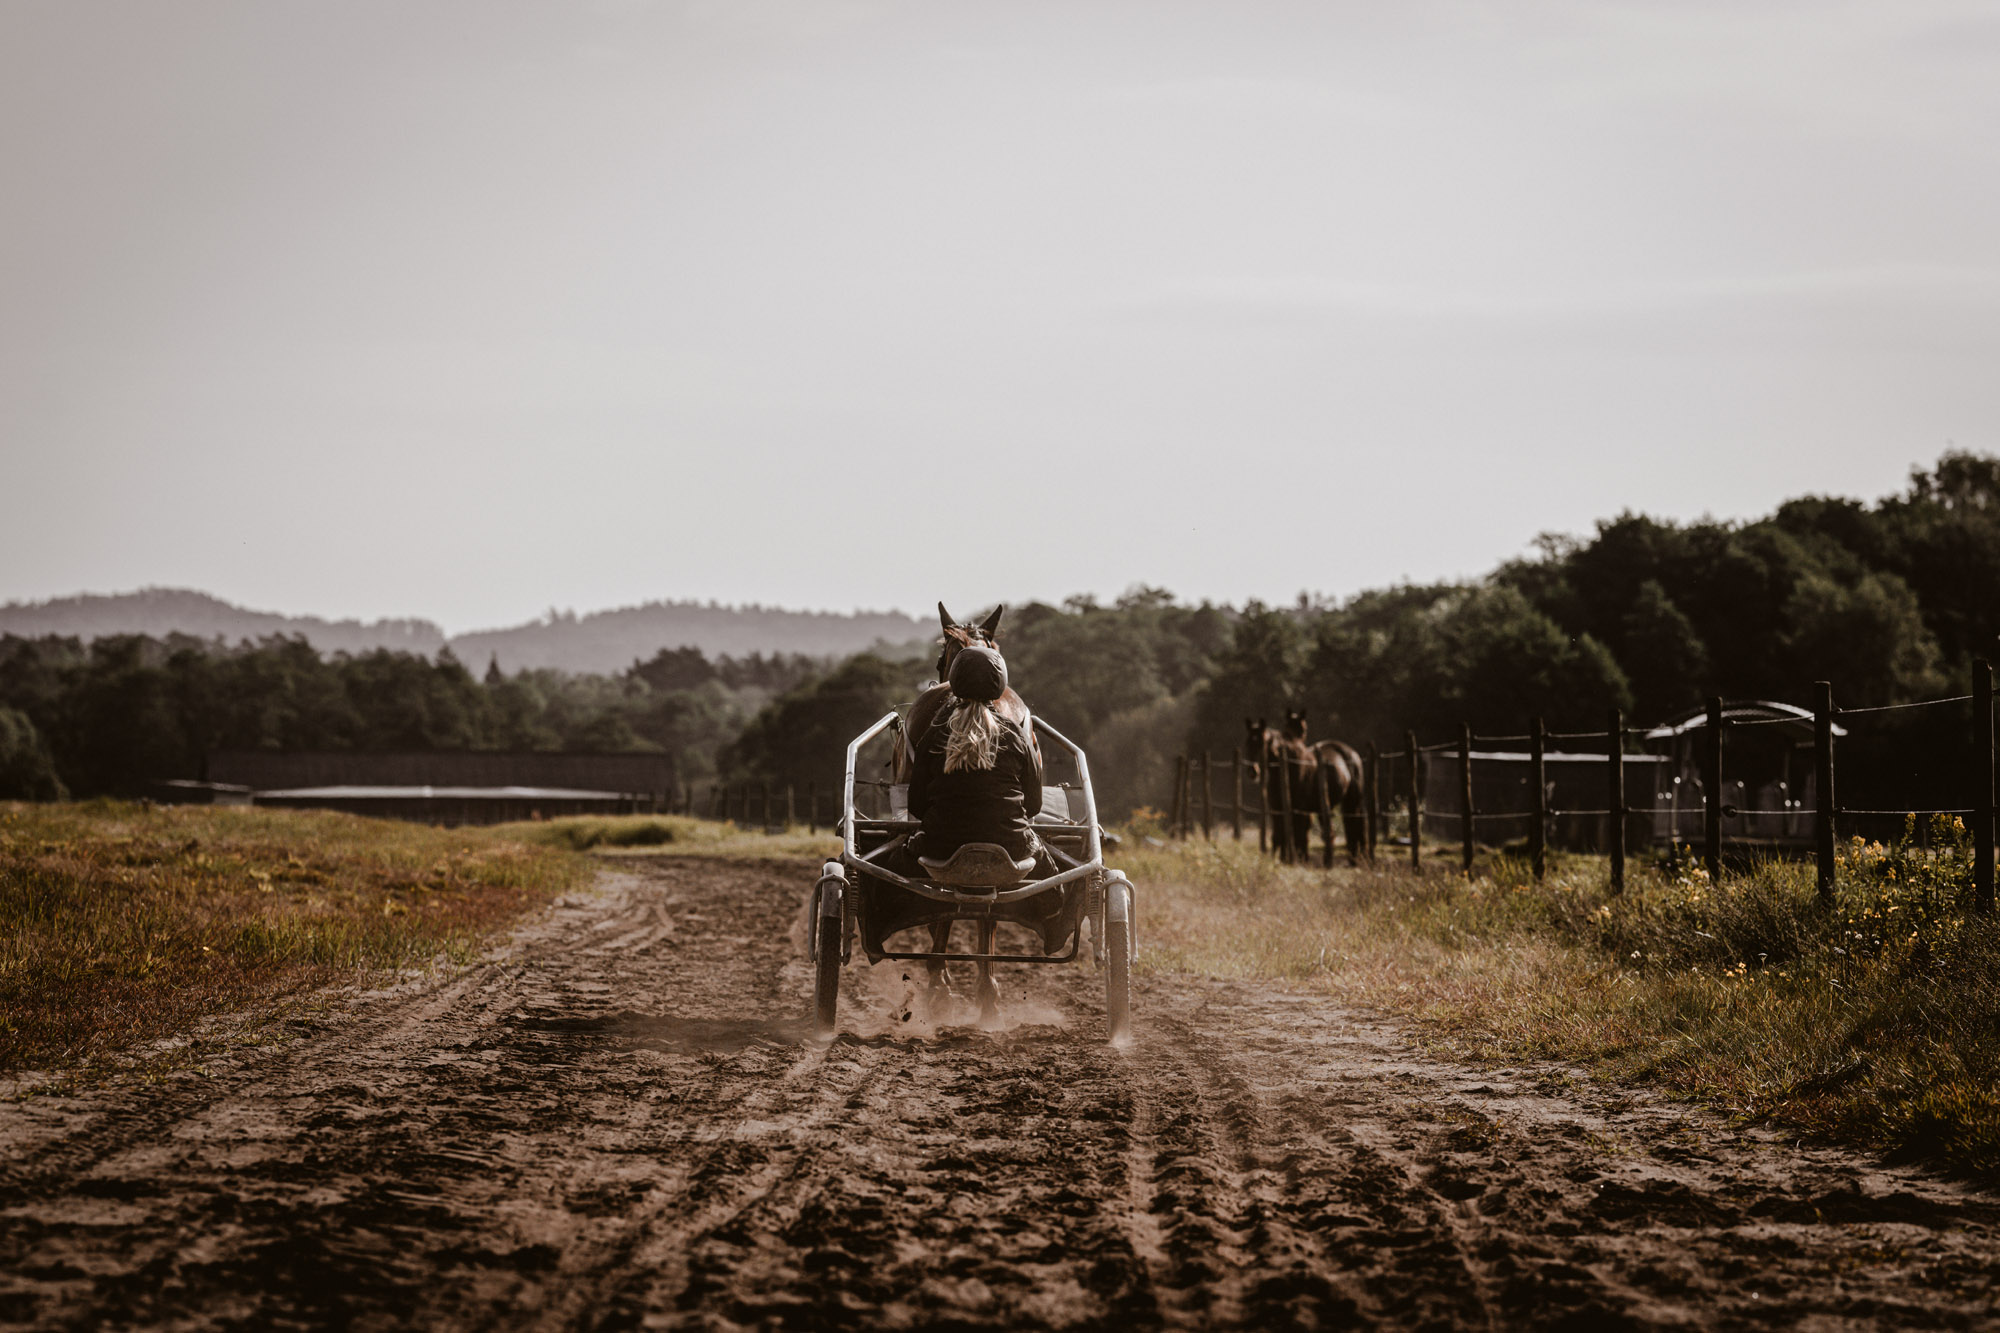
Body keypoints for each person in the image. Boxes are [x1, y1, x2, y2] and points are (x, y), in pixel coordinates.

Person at [906, 645, 1051, 874]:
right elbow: (1034, 805)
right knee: (1054, 886)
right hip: (1012, 844)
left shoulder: (934, 734)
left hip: (939, 845)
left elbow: (916, 804)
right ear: (999, 681)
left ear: (955, 678)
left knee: (887, 879)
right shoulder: (1015, 735)